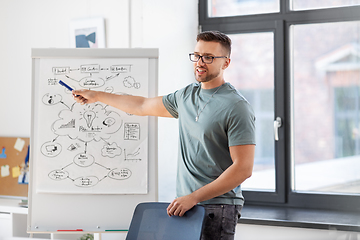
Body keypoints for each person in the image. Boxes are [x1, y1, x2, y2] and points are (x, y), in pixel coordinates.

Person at [73, 30, 255, 240]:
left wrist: (194, 198)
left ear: (226, 63)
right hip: (186, 204)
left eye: (209, 57)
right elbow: (142, 105)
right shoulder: (187, 95)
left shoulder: (236, 106)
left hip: (218, 206)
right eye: (196, 55)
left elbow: (243, 168)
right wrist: (96, 96)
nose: (200, 62)